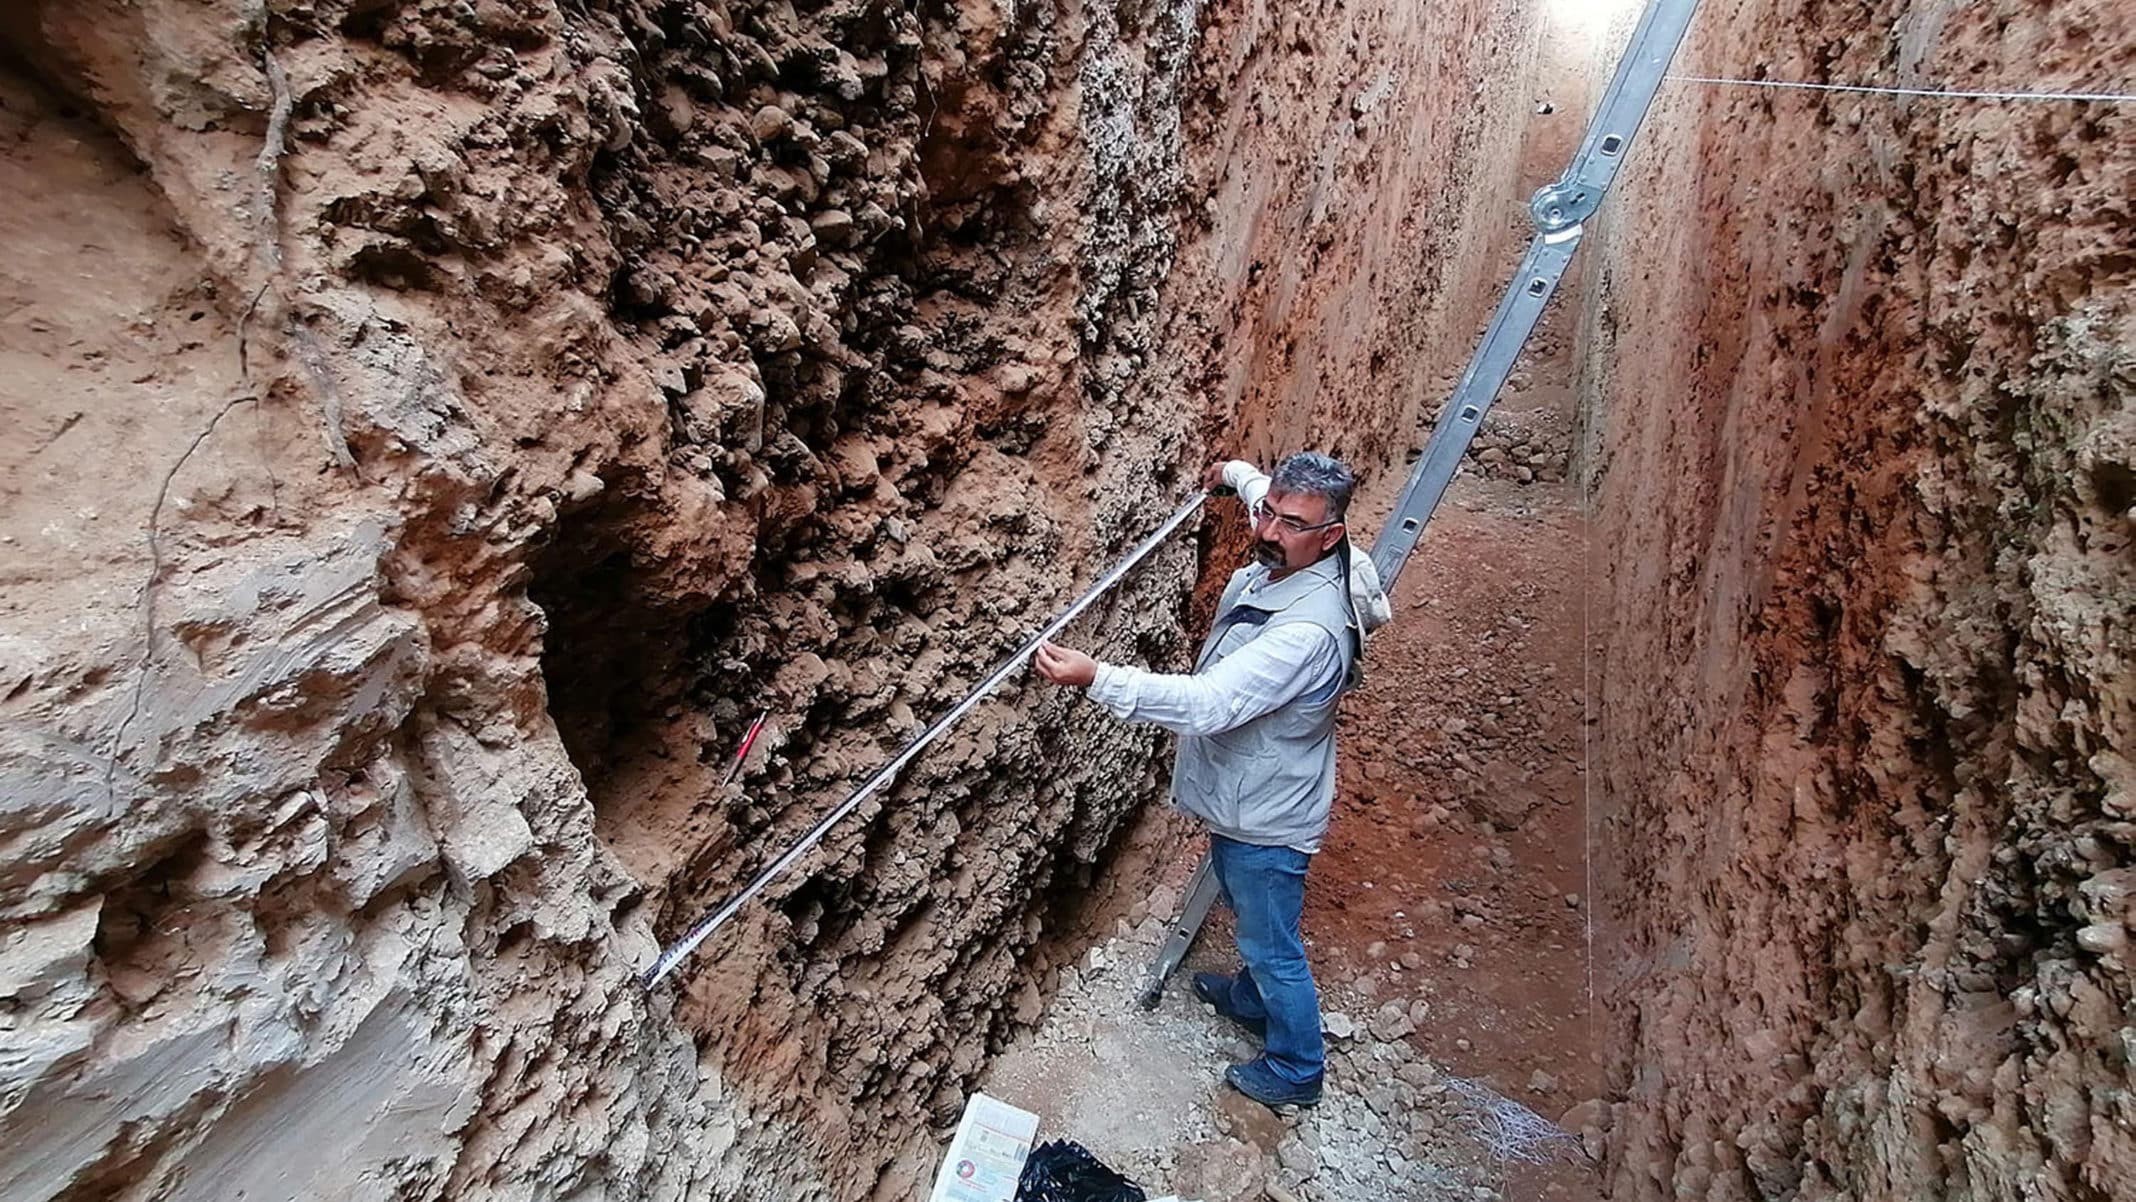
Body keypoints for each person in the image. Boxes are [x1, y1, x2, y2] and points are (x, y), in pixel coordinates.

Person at [1033, 451, 1388, 1108]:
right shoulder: (1307, 539)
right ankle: (1252, 1000)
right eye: (1270, 514)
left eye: (1292, 525)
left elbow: (1207, 705)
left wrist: (1095, 678)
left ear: (1332, 535)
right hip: (1250, 796)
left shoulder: (1307, 635)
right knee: (1255, 912)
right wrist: (1230, 471)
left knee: (1269, 937)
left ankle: (1296, 1069)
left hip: (1269, 816)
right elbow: (1258, 491)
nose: (1271, 533)